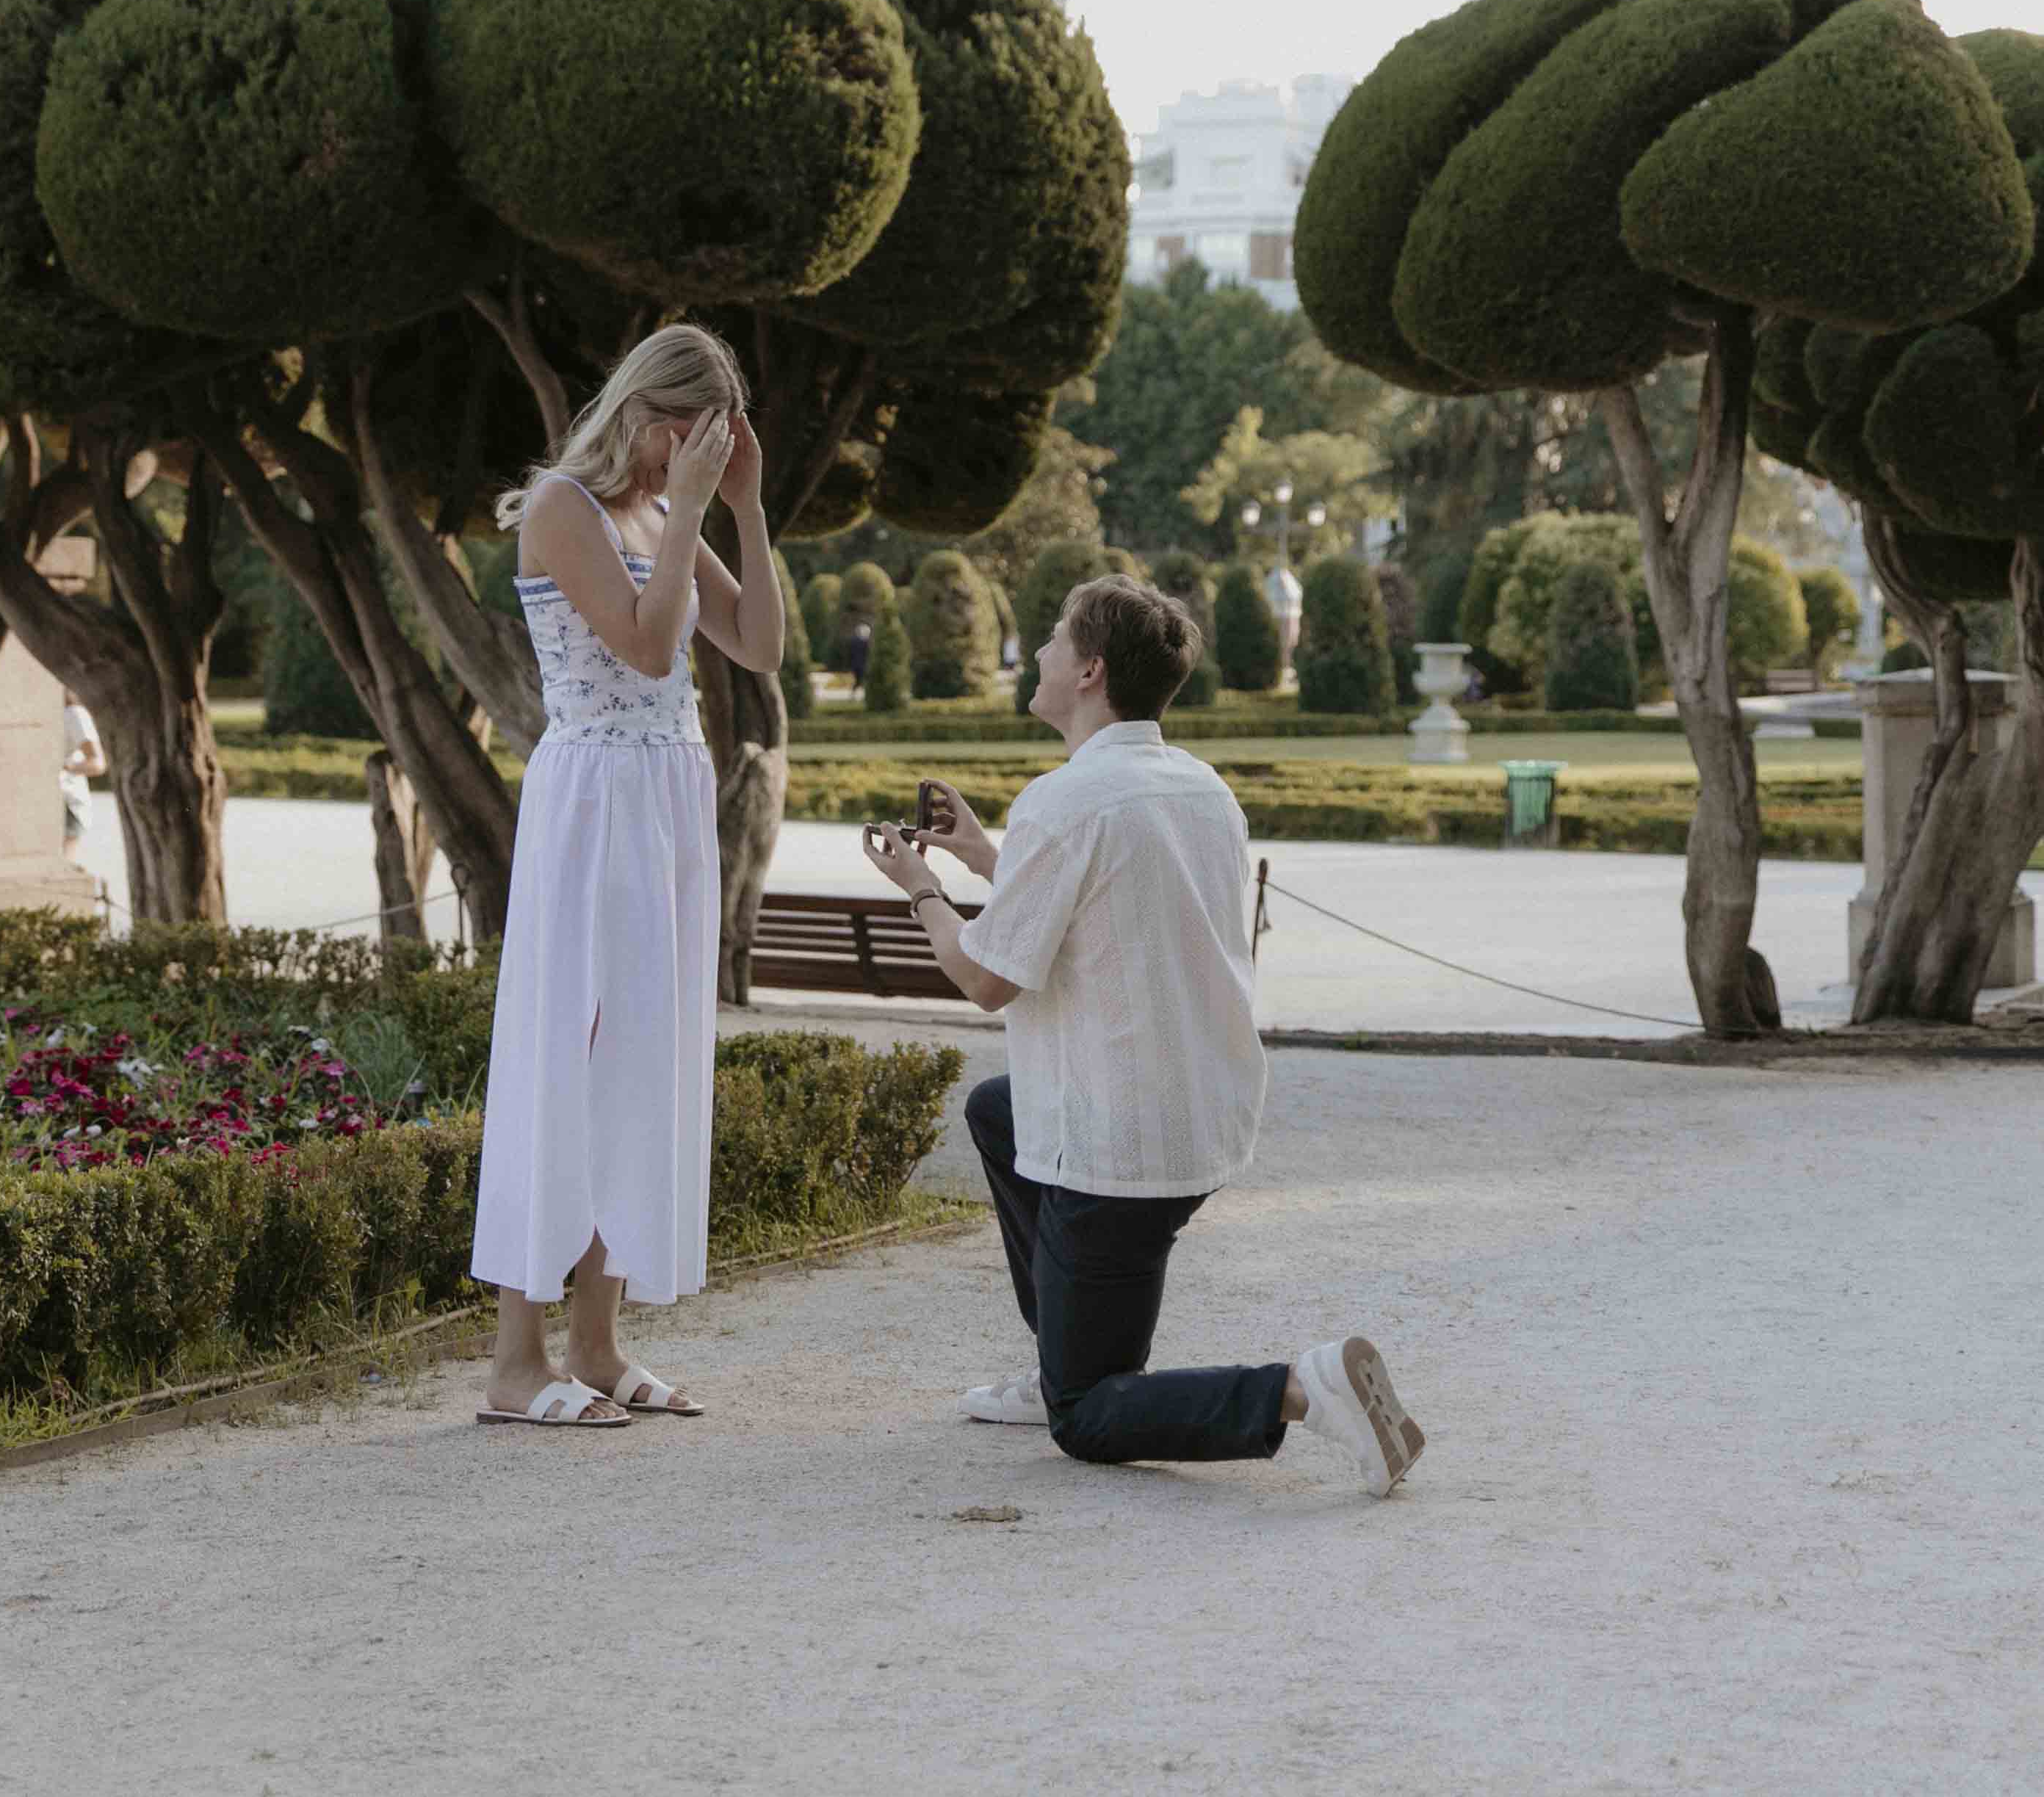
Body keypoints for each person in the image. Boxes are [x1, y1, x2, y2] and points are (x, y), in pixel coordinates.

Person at [861, 572, 1426, 1496]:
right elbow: (1104, 899)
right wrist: (976, 856)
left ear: (1087, 669)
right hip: (1201, 1112)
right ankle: (1062, 1353)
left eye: (1050, 636)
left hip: (1117, 1147)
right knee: (998, 1109)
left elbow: (983, 977)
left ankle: (1299, 1386)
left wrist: (920, 890)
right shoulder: (1199, 787)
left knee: (1083, 1415)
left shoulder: (1065, 798)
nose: (1035, 652)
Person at [469, 324, 781, 1429]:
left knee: (641, 1062)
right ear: (650, 414)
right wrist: (690, 505)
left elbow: (758, 642)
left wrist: (737, 504)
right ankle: (517, 1362)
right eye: (680, 440)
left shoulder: (670, 512)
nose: (679, 462)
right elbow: (649, 650)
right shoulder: (566, 504)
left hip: (667, 795)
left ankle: (598, 1345)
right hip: (593, 797)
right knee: (567, 1053)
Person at [59, 690, 104, 865]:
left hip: (68, 804)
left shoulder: (75, 714)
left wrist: (63, 767)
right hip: (44, 802)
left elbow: (97, 763)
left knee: (62, 868)